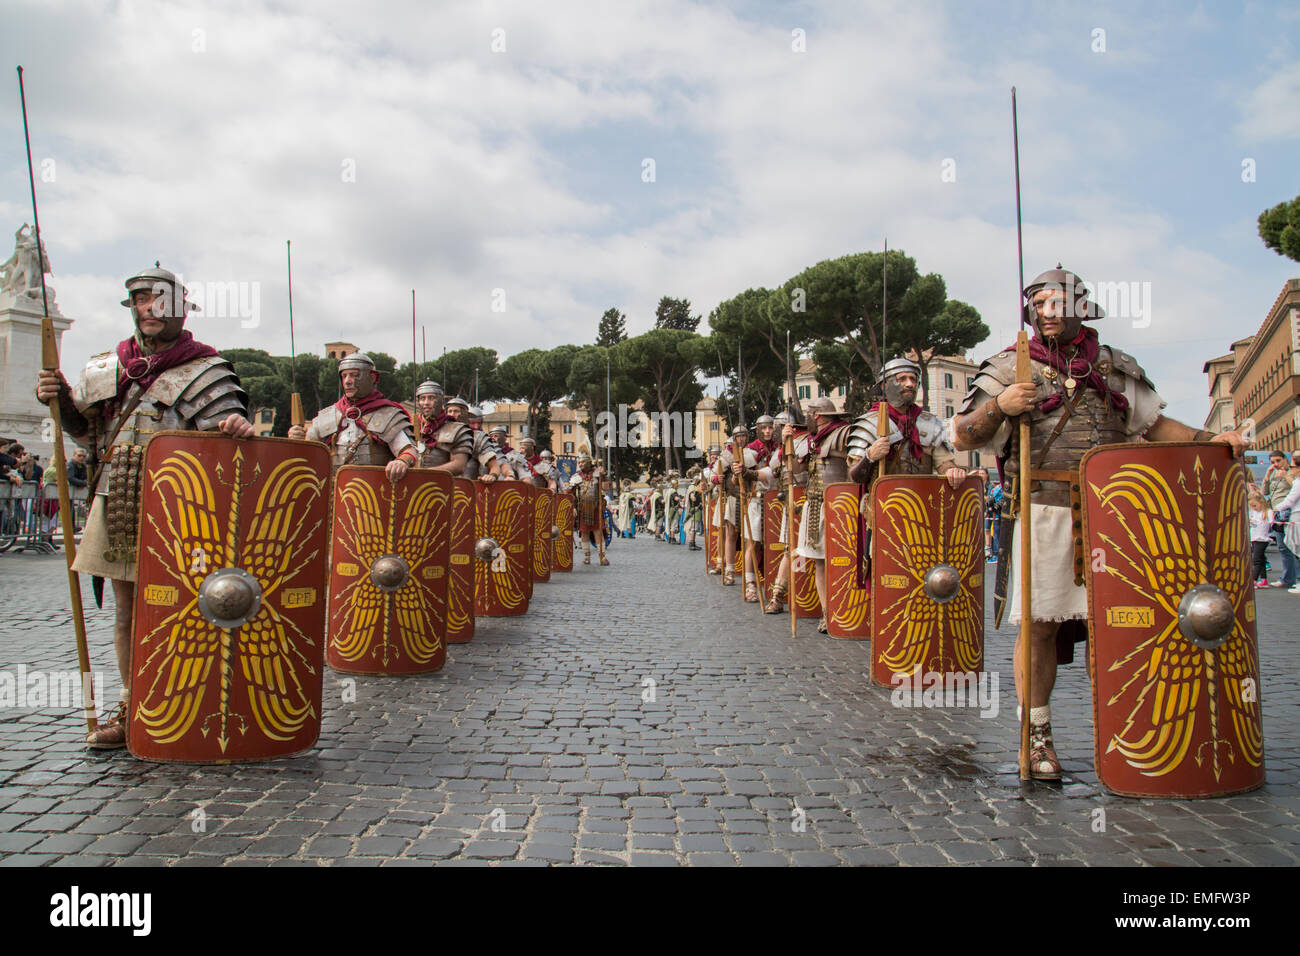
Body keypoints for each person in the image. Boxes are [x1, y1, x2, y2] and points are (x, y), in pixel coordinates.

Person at [951, 264, 1248, 780]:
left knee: (1117, 625)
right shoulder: (1007, 367)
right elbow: (963, 436)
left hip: (1113, 514)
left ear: (1080, 307)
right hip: (1042, 507)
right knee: (1041, 627)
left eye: (1057, 302)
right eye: (1039, 303)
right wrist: (1000, 404)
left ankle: (1120, 730)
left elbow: (1154, 427)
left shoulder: (1115, 368)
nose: (1048, 312)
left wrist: (1213, 440)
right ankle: (1037, 735)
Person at [35, 263, 254, 749]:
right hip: (119, 502)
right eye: (139, 299)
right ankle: (136, 707)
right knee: (128, 610)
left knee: (194, 609)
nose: (148, 308)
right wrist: (59, 400)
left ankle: (195, 703)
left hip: (184, 511)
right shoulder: (106, 367)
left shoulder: (207, 370)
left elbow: (227, 431)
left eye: (158, 299)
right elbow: (86, 433)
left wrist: (235, 427)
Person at [288, 353, 414, 479]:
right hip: (334, 494)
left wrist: (402, 461)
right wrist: (297, 438)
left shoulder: (388, 415)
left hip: (374, 492)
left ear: (372, 377)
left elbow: (409, 451)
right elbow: (307, 454)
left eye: (354, 375)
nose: (347, 381)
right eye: (344, 376)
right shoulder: (328, 416)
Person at [785, 400, 852, 631]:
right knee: (819, 562)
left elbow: (856, 467)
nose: (806, 419)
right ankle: (827, 612)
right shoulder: (811, 441)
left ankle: (845, 610)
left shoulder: (844, 433)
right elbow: (795, 469)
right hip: (815, 507)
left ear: (818, 415)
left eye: (809, 415)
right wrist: (788, 443)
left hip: (842, 507)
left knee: (844, 561)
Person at [712, 426, 749, 585]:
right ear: (734, 437)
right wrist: (717, 479)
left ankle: (750, 573)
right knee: (731, 535)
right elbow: (713, 475)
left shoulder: (751, 452)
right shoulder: (726, 455)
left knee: (750, 538)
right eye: (738, 436)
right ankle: (729, 570)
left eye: (744, 436)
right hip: (733, 497)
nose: (741, 439)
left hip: (750, 498)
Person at [412, 381, 472, 475]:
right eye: (422, 398)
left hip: (443, 486)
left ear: (440, 400)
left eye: (431, 398)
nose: (426, 403)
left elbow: (459, 465)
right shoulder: (411, 427)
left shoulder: (457, 429)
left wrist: (425, 474)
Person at [1262, 449, 1297, 588]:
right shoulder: (1274, 474)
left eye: (1278, 460)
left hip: (1288, 512)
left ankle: (1295, 578)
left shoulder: (1292, 472)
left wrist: (1286, 476)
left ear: (1285, 459)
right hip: (1276, 512)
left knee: (1293, 545)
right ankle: (1287, 578)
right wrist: (1267, 475)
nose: (1275, 464)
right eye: (1272, 462)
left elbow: (1296, 487)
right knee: (1283, 547)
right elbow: (1265, 492)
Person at [447, 399, 504, 481]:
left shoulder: (478, 438)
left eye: (456, 411)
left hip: (468, 489)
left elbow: (496, 466)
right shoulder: (435, 435)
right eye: (450, 411)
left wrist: (492, 476)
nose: (452, 415)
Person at [568, 455, 608, 565]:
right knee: (584, 532)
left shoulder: (597, 474)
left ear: (588, 462)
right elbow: (569, 494)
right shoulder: (576, 476)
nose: (580, 464)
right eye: (579, 462)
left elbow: (605, 488)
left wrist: (603, 476)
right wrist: (573, 507)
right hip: (583, 508)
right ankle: (587, 556)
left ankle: (602, 556)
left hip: (595, 508)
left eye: (583, 462)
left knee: (598, 532)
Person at [1273, 453, 1300, 594]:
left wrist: (1275, 509)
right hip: (1295, 516)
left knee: (1296, 547)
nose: (1291, 469)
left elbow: (1290, 500)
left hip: (1297, 516)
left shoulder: (1297, 482)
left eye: (1292, 466)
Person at [1248, 491, 1272, 588]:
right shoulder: (1253, 512)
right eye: (1251, 506)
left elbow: (1270, 523)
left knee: (1256, 560)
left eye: (1255, 505)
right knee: (1261, 559)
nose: (1254, 508)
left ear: (1261, 502)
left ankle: (1254, 580)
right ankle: (1264, 579)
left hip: (1262, 539)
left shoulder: (1268, 512)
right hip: (1254, 538)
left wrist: (1255, 521)